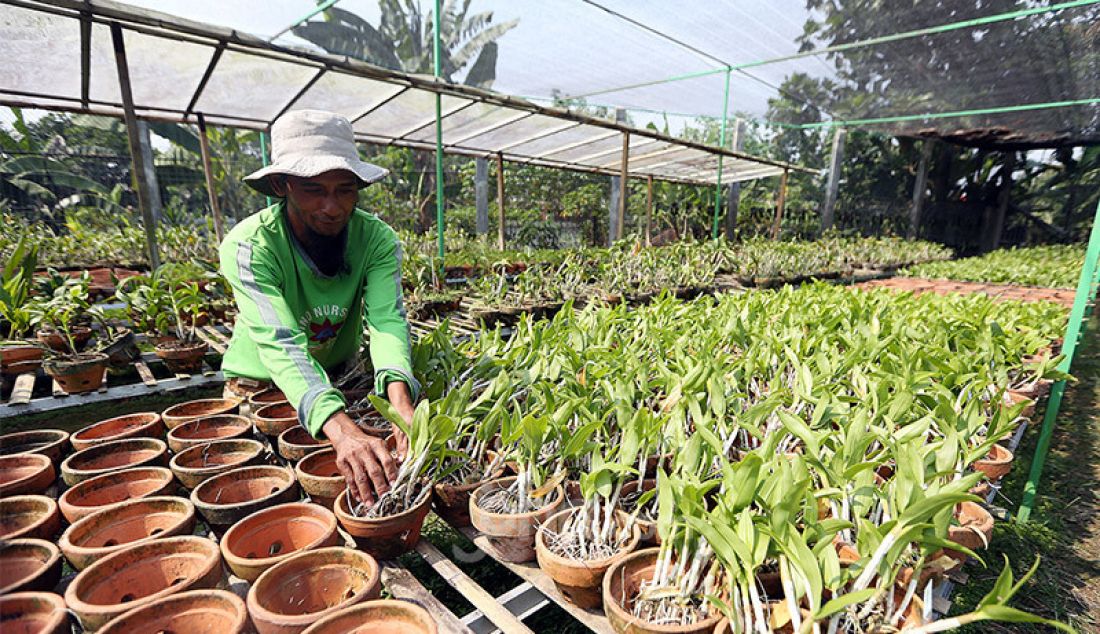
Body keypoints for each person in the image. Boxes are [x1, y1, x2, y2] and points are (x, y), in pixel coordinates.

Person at [218, 109, 419, 507]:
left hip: (332, 377)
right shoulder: (249, 246)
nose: (332, 207)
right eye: (314, 190)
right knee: (269, 498)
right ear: (282, 185)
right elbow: (281, 342)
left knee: (352, 485)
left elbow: (386, 321)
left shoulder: (376, 239)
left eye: (345, 190)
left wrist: (401, 408)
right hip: (260, 388)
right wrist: (342, 430)